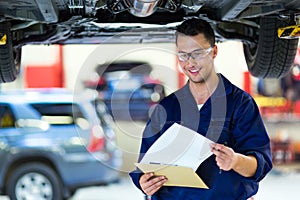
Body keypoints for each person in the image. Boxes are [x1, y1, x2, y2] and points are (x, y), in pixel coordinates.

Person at [129, 18, 272, 200]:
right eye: (183, 55)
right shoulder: (167, 108)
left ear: (214, 51)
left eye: (197, 53)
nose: (190, 63)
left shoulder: (240, 104)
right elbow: (144, 166)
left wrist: (235, 161)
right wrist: (144, 182)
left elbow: (259, 165)